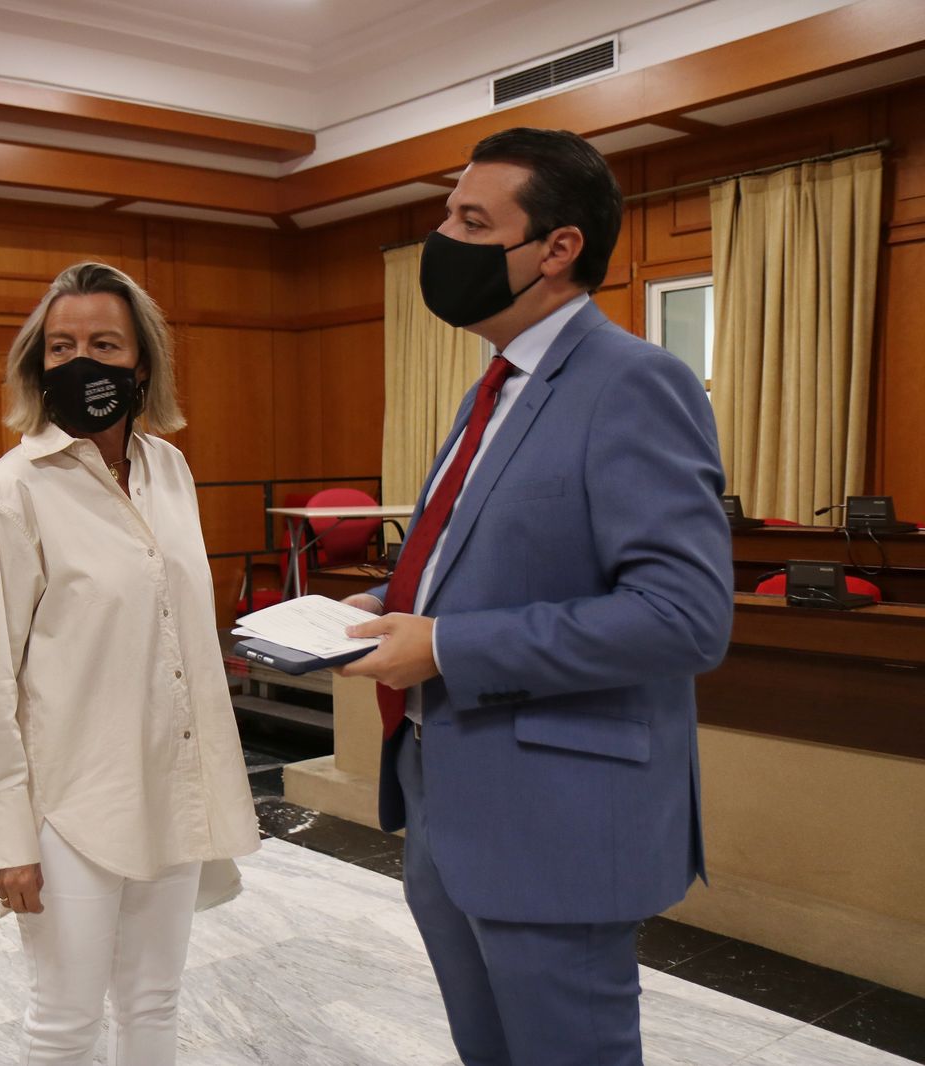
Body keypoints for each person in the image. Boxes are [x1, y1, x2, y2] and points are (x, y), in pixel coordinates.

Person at [339, 128, 734, 1065]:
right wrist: (383, 602)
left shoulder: (635, 382)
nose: (444, 239)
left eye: (473, 223)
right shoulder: (495, 387)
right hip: (444, 793)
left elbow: (683, 616)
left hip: (558, 814)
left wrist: (445, 647)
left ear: (558, 249)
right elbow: (485, 560)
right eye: (447, 215)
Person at [0, 261, 259, 1065]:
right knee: (66, 1022)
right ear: (37, 363)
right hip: (72, 805)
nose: (81, 361)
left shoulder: (169, 469)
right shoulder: (8, 491)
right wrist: (6, 836)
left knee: (155, 1002)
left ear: (141, 364)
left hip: (171, 786)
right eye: (61, 346)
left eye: (104, 344)